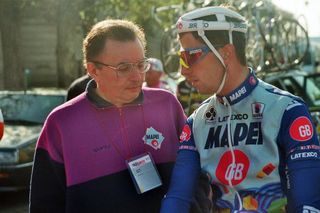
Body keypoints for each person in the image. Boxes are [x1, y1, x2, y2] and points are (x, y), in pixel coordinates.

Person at [161, 6, 320, 213]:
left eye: (190, 57)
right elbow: (178, 197)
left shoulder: (287, 111)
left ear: (226, 53)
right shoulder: (197, 121)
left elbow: (307, 202)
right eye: (180, 58)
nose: (183, 70)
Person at [29, 19, 186, 213]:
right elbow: (44, 205)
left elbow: (196, 173)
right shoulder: (61, 122)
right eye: (123, 68)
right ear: (93, 70)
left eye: (140, 65)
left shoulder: (167, 105)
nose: (137, 76)